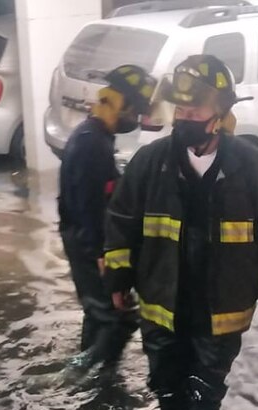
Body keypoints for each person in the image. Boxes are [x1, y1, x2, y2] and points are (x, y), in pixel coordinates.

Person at [103, 55, 258, 410]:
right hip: (162, 305)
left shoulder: (252, 167)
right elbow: (121, 221)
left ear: (220, 113)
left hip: (220, 310)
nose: (185, 118)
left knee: (205, 390)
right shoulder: (150, 163)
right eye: (180, 110)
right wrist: (118, 278)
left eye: (194, 110)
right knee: (166, 384)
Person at [58, 65, 157, 369]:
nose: (135, 119)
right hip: (88, 245)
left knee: (99, 314)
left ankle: (90, 371)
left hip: (83, 240)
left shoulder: (93, 136)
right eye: (135, 111)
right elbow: (87, 205)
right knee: (118, 318)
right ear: (120, 103)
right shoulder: (92, 143)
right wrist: (100, 254)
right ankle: (80, 375)